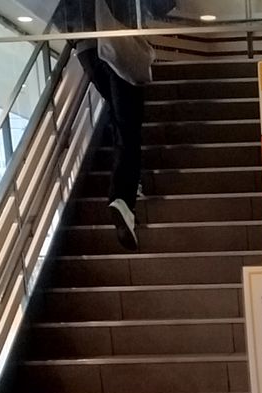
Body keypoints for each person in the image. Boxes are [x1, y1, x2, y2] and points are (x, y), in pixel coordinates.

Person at [57, 0, 169, 250]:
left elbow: (59, 13)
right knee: (128, 125)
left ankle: (131, 180)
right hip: (116, 44)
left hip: (86, 49)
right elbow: (159, 6)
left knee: (121, 118)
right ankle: (122, 198)